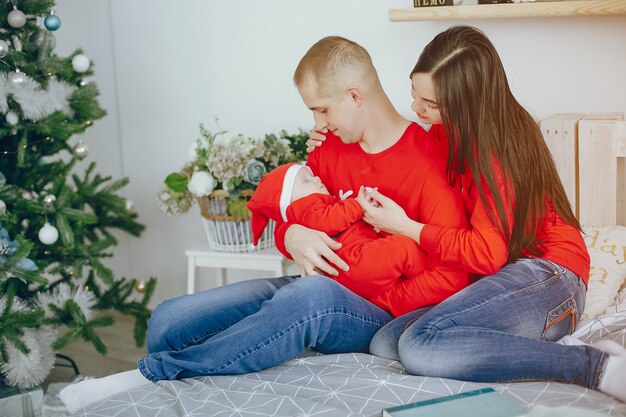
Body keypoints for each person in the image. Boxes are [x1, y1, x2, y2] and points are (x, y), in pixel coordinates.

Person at [59, 35, 471, 413]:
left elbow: (452, 277)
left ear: (354, 94)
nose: (319, 123)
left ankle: (147, 376)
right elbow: (292, 214)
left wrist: (373, 293)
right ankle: (250, 342)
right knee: (168, 320)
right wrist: (292, 236)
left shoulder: (431, 160)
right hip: (315, 285)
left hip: (374, 307)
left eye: (322, 109)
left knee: (307, 299)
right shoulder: (329, 149)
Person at [306, 26, 626, 402]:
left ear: (466, 102)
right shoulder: (447, 132)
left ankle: (592, 365)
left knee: (418, 346)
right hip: (501, 280)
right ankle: (519, 344)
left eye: (432, 104)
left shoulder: (495, 149)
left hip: (550, 277)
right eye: (414, 91)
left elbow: (488, 253)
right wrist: (327, 145)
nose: (417, 110)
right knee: (387, 343)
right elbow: (392, 165)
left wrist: (407, 228)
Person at [247, 162, 429, 301]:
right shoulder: (304, 208)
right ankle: (427, 277)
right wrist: (358, 204)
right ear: (290, 200)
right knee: (404, 248)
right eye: (306, 180)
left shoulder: (312, 206)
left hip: (352, 267)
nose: (316, 179)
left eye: (312, 176)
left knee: (397, 252)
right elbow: (328, 220)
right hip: (353, 263)